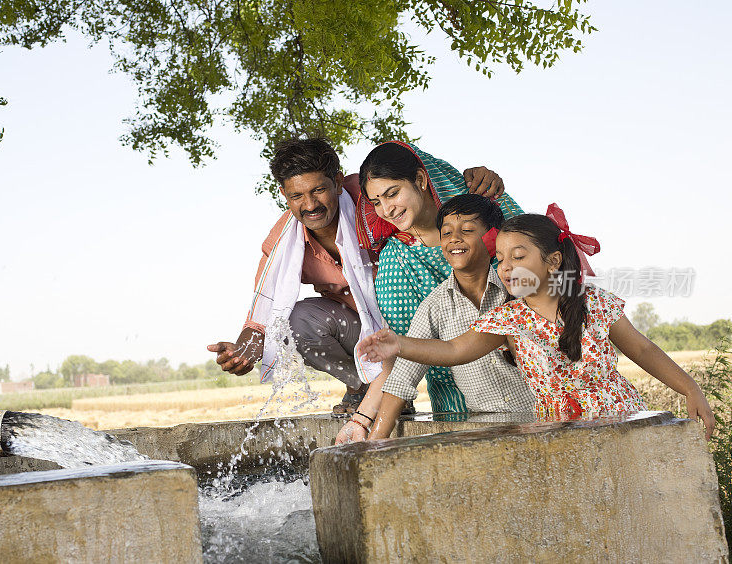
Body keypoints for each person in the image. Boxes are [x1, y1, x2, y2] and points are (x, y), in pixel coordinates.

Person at [359, 205, 716, 440]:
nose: (506, 267)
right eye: (499, 259)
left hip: (619, 420)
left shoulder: (595, 302)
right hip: (557, 430)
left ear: (553, 261)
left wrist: (690, 388)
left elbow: (642, 348)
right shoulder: (510, 318)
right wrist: (400, 344)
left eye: (518, 256)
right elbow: (454, 349)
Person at [207, 137, 505, 414]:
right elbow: (262, 314)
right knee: (297, 320)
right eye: (297, 195)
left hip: (413, 311)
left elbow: (415, 177)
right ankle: (366, 388)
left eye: (318, 190)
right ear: (284, 195)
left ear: (337, 182)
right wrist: (243, 349)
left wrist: (470, 180)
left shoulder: (369, 200)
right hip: (366, 334)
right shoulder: (282, 243)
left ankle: (386, 393)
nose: (310, 205)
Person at [335, 194, 535, 444]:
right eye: (446, 232)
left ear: (492, 238)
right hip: (488, 432)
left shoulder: (519, 289)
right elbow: (402, 378)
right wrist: (374, 443)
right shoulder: (435, 306)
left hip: (542, 419)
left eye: (468, 230)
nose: (454, 239)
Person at [352, 141, 525, 415]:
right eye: (377, 202)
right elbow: (407, 350)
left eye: (393, 193)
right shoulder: (395, 263)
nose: (387, 210)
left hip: (532, 384)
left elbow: (539, 271)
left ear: (420, 179)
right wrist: (363, 420)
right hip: (458, 407)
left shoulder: (485, 206)